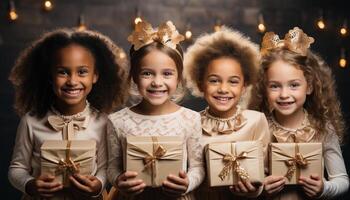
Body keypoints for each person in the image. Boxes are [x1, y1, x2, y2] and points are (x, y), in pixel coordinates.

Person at [8, 28, 128, 199]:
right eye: (63, 72)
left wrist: (98, 185)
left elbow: (104, 168)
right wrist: (30, 184)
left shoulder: (102, 122)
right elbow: (17, 168)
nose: (72, 81)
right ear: (50, 76)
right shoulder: (31, 121)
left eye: (82, 72)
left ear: (95, 76)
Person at [107, 20, 204, 200]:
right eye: (147, 73)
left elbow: (198, 167)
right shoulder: (118, 121)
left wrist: (188, 182)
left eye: (167, 73)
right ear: (135, 76)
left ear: (178, 78)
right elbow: (112, 167)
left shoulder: (190, 119)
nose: (157, 82)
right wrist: (119, 180)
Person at [249, 27, 349, 199]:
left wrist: (323, 188)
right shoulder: (259, 128)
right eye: (275, 86)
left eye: (294, 85)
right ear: (264, 88)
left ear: (309, 86)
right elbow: (248, 181)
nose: (284, 94)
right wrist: (261, 188)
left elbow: (341, 179)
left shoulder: (323, 128)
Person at [184, 27, 271, 199]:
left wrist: (254, 190)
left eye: (233, 81)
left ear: (244, 86)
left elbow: (266, 174)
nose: (223, 89)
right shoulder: (190, 122)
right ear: (200, 84)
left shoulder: (256, 121)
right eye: (214, 80)